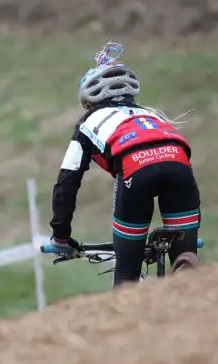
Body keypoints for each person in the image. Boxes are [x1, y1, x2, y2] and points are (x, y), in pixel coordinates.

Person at [48, 42, 201, 287]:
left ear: (89, 103)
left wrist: (61, 236)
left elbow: (67, 182)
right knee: (186, 265)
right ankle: (189, 276)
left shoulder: (88, 124)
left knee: (126, 276)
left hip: (136, 172)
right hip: (179, 168)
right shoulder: (152, 115)